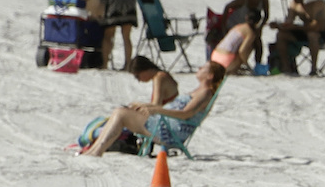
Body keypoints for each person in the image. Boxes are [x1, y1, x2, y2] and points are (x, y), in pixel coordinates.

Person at [81, 60, 225, 156]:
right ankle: (94, 149)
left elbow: (185, 114)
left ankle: (97, 151)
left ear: (210, 75)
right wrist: (145, 106)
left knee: (121, 113)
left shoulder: (205, 93)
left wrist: (156, 110)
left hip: (168, 131)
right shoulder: (199, 91)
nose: (199, 69)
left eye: (203, 68)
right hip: (164, 124)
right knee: (120, 111)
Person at [207, 0, 269, 74]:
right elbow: (227, 8)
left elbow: (266, 15)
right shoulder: (242, 1)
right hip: (235, 26)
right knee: (247, 44)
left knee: (258, 43)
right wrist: (224, 28)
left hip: (251, 25)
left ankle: (258, 64)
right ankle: (239, 64)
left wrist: (260, 27)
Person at [271, 0, 325, 76]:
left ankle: (314, 68)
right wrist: (280, 26)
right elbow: (289, 21)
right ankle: (285, 66)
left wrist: (295, 27)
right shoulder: (294, 4)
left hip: (324, 34)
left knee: (312, 35)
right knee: (281, 35)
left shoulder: (316, 3)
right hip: (305, 31)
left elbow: (316, 26)